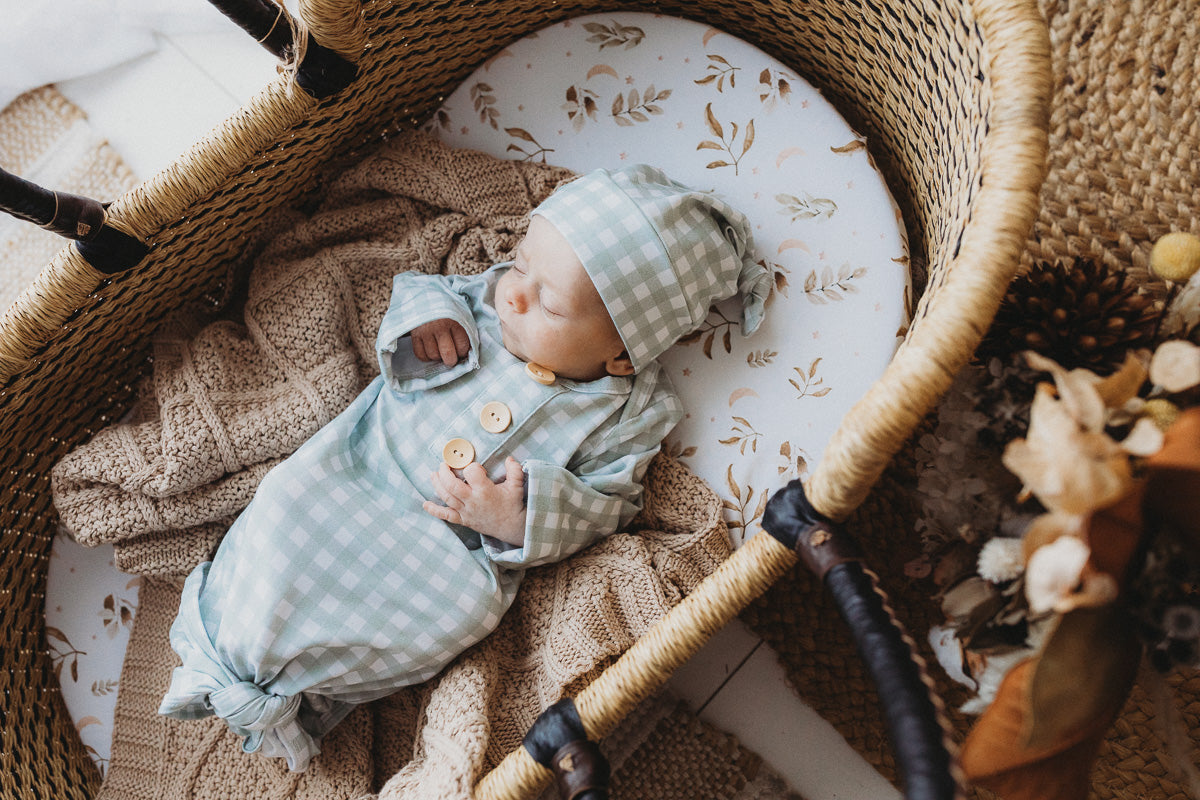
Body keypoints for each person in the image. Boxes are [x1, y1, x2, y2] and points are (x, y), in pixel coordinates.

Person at [158, 163, 772, 771]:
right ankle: (226, 631)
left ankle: (309, 692)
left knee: (452, 615)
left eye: (549, 304)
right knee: (290, 501)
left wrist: (518, 515)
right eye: (523, 261)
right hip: (363, 469)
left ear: (623, 351)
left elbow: (610, 501)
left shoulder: (630, 413)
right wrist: (425, 323)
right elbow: (417, 287)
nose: (515, 291)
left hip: (448, 549)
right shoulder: (482, 300)